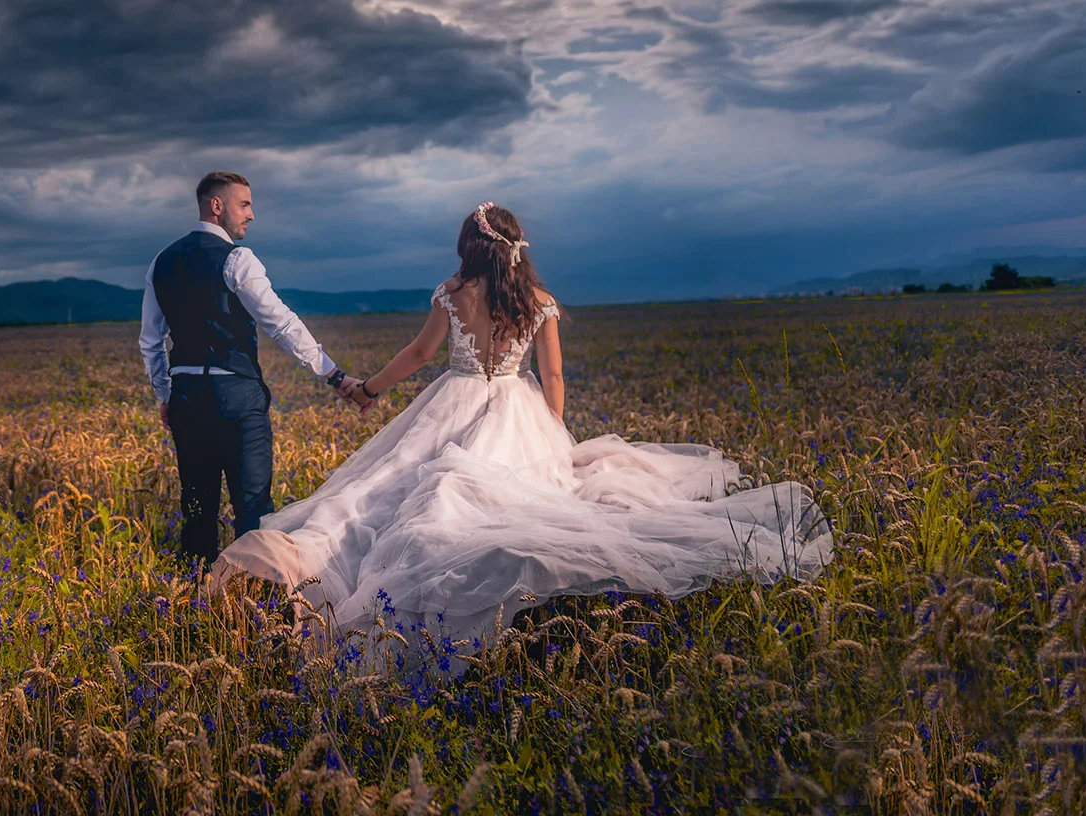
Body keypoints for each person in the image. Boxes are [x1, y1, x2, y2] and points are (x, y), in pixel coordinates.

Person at [211, 200, 834, 648]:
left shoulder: (453, 293)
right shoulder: (539, 302)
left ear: (471, 247)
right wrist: (553, 436)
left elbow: (421, 354)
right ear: (515, 247)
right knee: (507, 495)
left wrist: (368, 389)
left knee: (389, 489)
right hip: (518, 407)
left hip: (450, 402)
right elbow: (553, 376)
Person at [140, 171, 368, 566]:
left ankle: (196, 593)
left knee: (197, 507)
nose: (251, 214)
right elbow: (280, 322)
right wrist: (333, 375)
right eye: (244, 204)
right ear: (217, 206)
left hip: (187, 398)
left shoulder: (162, 262)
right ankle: (255, 594)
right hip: (236, 398)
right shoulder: (237, 259)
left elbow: (150, 341)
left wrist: (165, 395)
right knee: (254, 507)